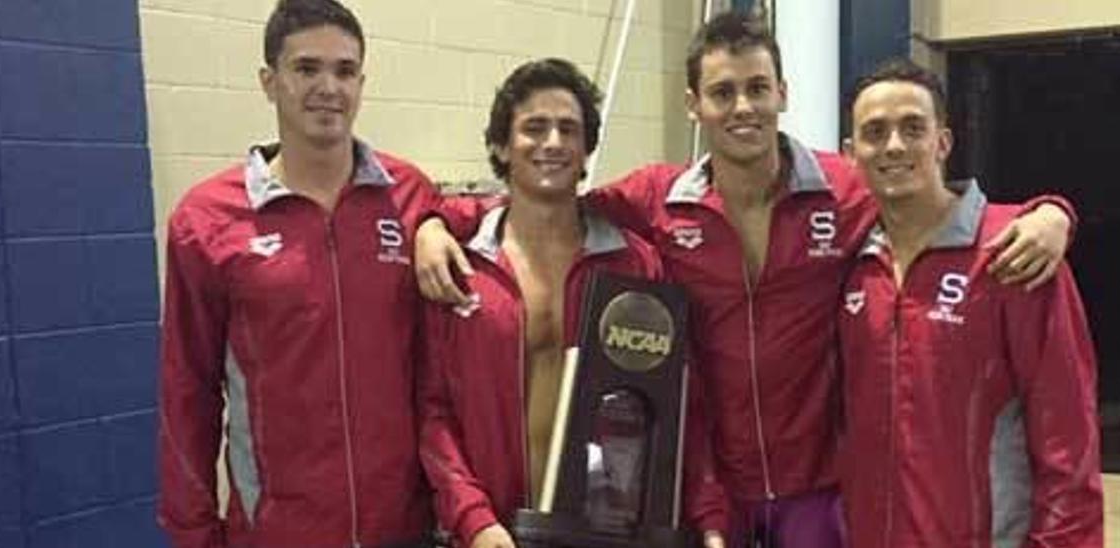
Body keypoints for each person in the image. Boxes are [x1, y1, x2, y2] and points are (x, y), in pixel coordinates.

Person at [414, 13, 1075, 548]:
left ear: (782, 94)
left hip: (820, 489)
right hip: (712, 491)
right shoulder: (657, 198)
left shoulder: (848, 189)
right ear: (694, 104)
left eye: (757, 89)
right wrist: (436, 222)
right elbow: (549, 197)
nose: (743, 108)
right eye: (724, 92)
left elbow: (937, 201)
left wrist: (1050, 214)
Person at [157, 1, 436, 546]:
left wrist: (433, 226)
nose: (328, 87)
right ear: (269, 81)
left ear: (362, 82)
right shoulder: (206, 220)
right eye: (307, 69)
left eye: (344, 70)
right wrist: (193, 533)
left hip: (404, 528)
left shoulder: (410, 198)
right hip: (278, 532)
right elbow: (187, 391)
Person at [837, 58, 1103, 548]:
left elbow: (1069, 436)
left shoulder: (1013, 254)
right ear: (851, 155)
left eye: (912, 128)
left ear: (943, 143)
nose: (894, 145)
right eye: (875, 132)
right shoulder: (849, 262)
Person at [417, 58, 664, 548]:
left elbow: (671, 407)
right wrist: (475, 520)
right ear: (501, 146)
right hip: (486, 533)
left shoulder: (634, 267)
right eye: (534, 127)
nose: (553, 142)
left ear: (586, 147)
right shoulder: (458, 270)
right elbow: (431, 411)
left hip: (603, 533)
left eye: (568, 129)